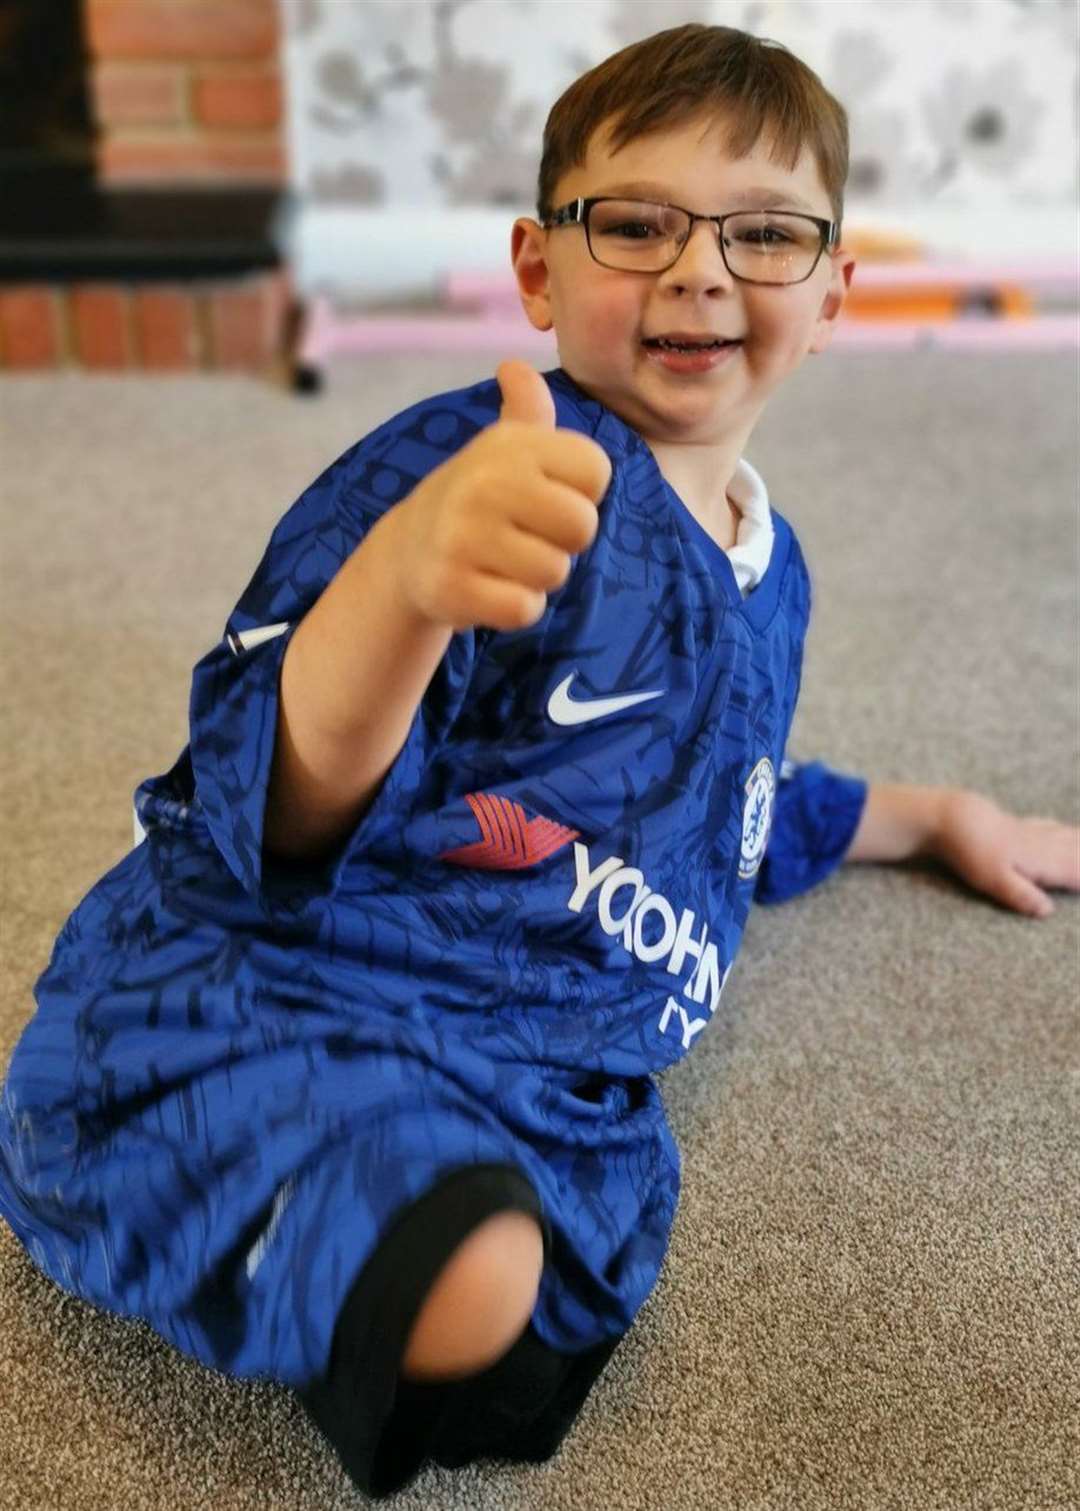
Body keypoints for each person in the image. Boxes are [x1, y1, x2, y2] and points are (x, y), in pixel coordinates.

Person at [1, 21, 1076, 1502]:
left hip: (544, 1065)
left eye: (763, 235)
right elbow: (279, 799)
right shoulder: (480, 470)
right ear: (537, 272)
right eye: (635, 224)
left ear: (833, 296)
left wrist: (940, 814)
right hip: (302, 978)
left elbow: (725, 810)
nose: (699, 269)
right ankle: (298, 1228)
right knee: (466, 1267)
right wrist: (407, 584)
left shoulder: (780, 578)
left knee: (535, 1277)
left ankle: (399, 1260)